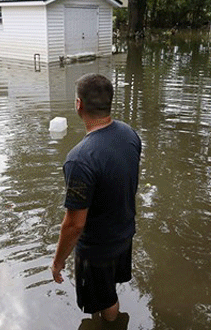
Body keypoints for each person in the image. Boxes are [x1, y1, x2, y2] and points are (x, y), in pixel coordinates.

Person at [51, 73, 142, 322]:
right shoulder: (129, 134)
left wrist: (58, 262)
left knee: (105, 299)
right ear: (110, 102)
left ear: (79, 104)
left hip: (98, 249)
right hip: (124, 233)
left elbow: (74, 224)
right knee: (106, 290)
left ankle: (111, 325)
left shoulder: (80, 159)